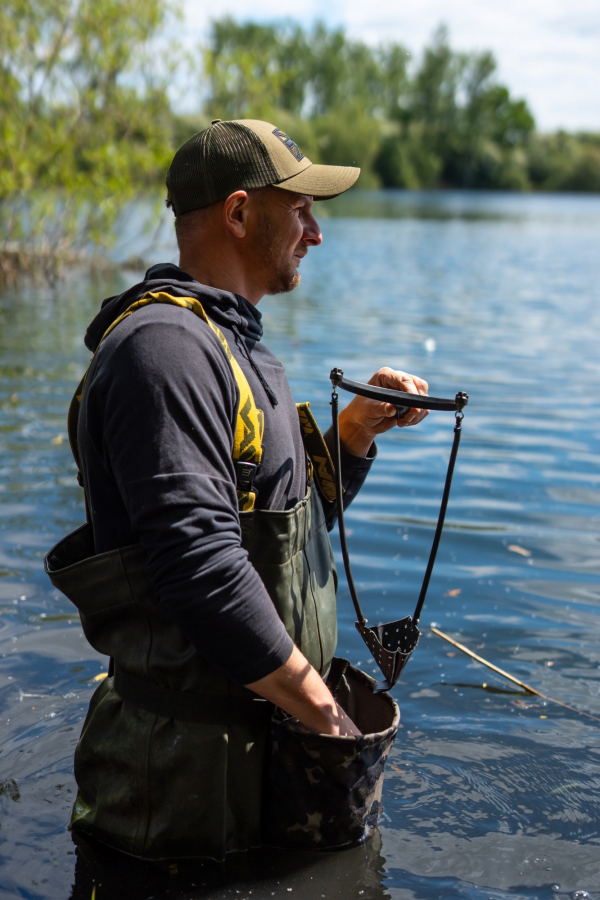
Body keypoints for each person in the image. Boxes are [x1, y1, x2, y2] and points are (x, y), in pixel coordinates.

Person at [45, 119, 429, 861]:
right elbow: (199, 565)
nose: (315, 233)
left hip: (252, 763)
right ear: (240, 212)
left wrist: (353, 435)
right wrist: (327, 716)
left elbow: (275, 537)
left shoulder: (235, 344)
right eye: (302, 209)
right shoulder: (165, 351)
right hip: (182, 796)